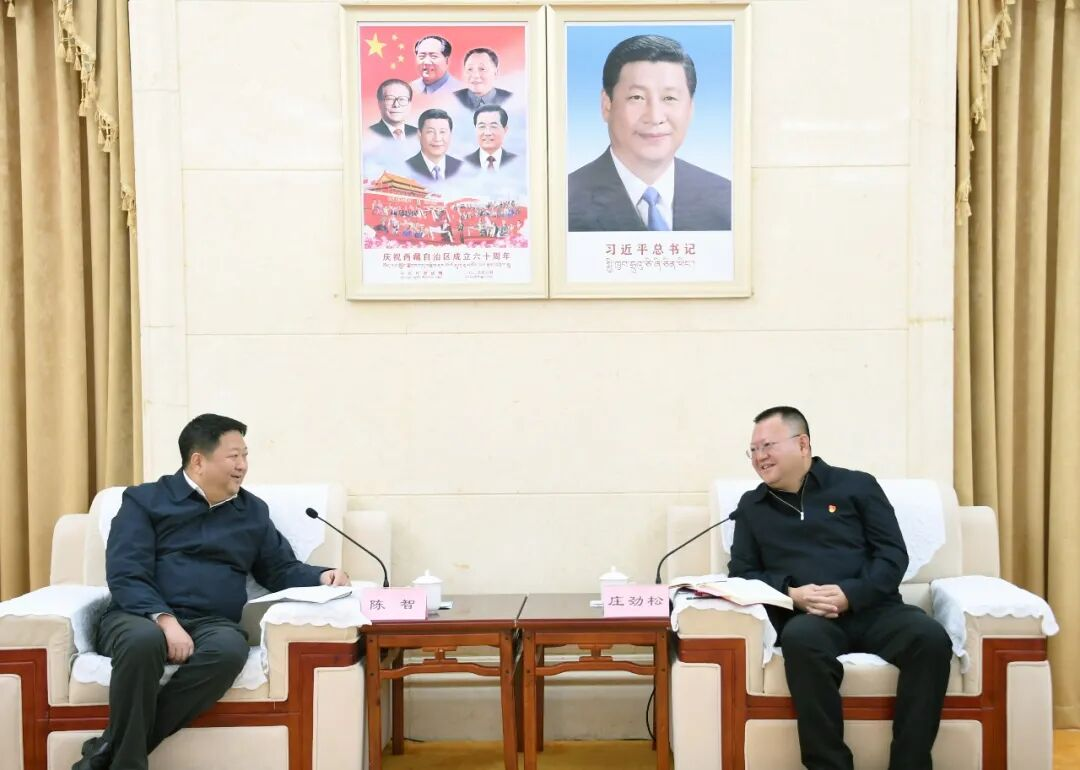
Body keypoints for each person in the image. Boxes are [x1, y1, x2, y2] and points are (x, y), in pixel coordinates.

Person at [74, 414, 350, 770]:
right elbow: (127, 573)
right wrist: (165, 621)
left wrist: (321, 575)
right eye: (233, 456)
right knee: (143, 642)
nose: (243, 465)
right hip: (138, 615)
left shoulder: (251, 511)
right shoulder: (145, 501)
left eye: (245, 456)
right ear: (198, 461)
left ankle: (107, 751)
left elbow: (278, 568)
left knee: (229, 650)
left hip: (211, 622)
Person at [728, 406, 952, 770]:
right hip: (810, 618)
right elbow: (742, 573)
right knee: (800, 641)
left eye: (767, 446)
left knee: (930, 639)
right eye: (752, 450)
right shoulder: (752, 506)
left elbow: (892, 555)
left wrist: (851, 594)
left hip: (875, 608)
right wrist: (792, 594)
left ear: (803, 444)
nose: (759, 457)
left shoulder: (856, 485)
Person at [567, 34, 731, 232]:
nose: (654, 117)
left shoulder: (726, 199)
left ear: (690, 109)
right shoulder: (563, 201)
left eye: (669, 98)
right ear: (607, 105)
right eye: (637, 97)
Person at [405, 109, 462, 181]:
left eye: (442, 132)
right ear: (419, 134)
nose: (437, 138)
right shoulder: (406, 168)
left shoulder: (461, 167)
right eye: (430, 132)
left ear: (450, 135)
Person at [464, 104, 517, 172]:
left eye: (493, 126)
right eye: (482, 126)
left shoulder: (517, 162)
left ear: (505, 130)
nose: (487, 133)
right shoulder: (465, 163)